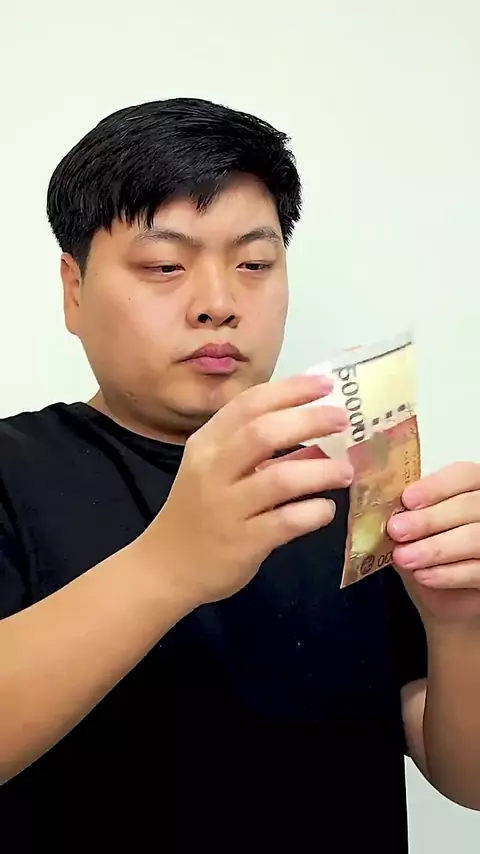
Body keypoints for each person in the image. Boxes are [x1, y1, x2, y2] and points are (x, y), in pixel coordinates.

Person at [0, 98, 479, 851]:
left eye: (254, 264)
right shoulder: (12, 472)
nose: (218, 304)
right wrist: (169, 566)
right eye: (164, 266)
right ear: (75, 288)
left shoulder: (355, 480)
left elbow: (466, 777)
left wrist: (460, 630)